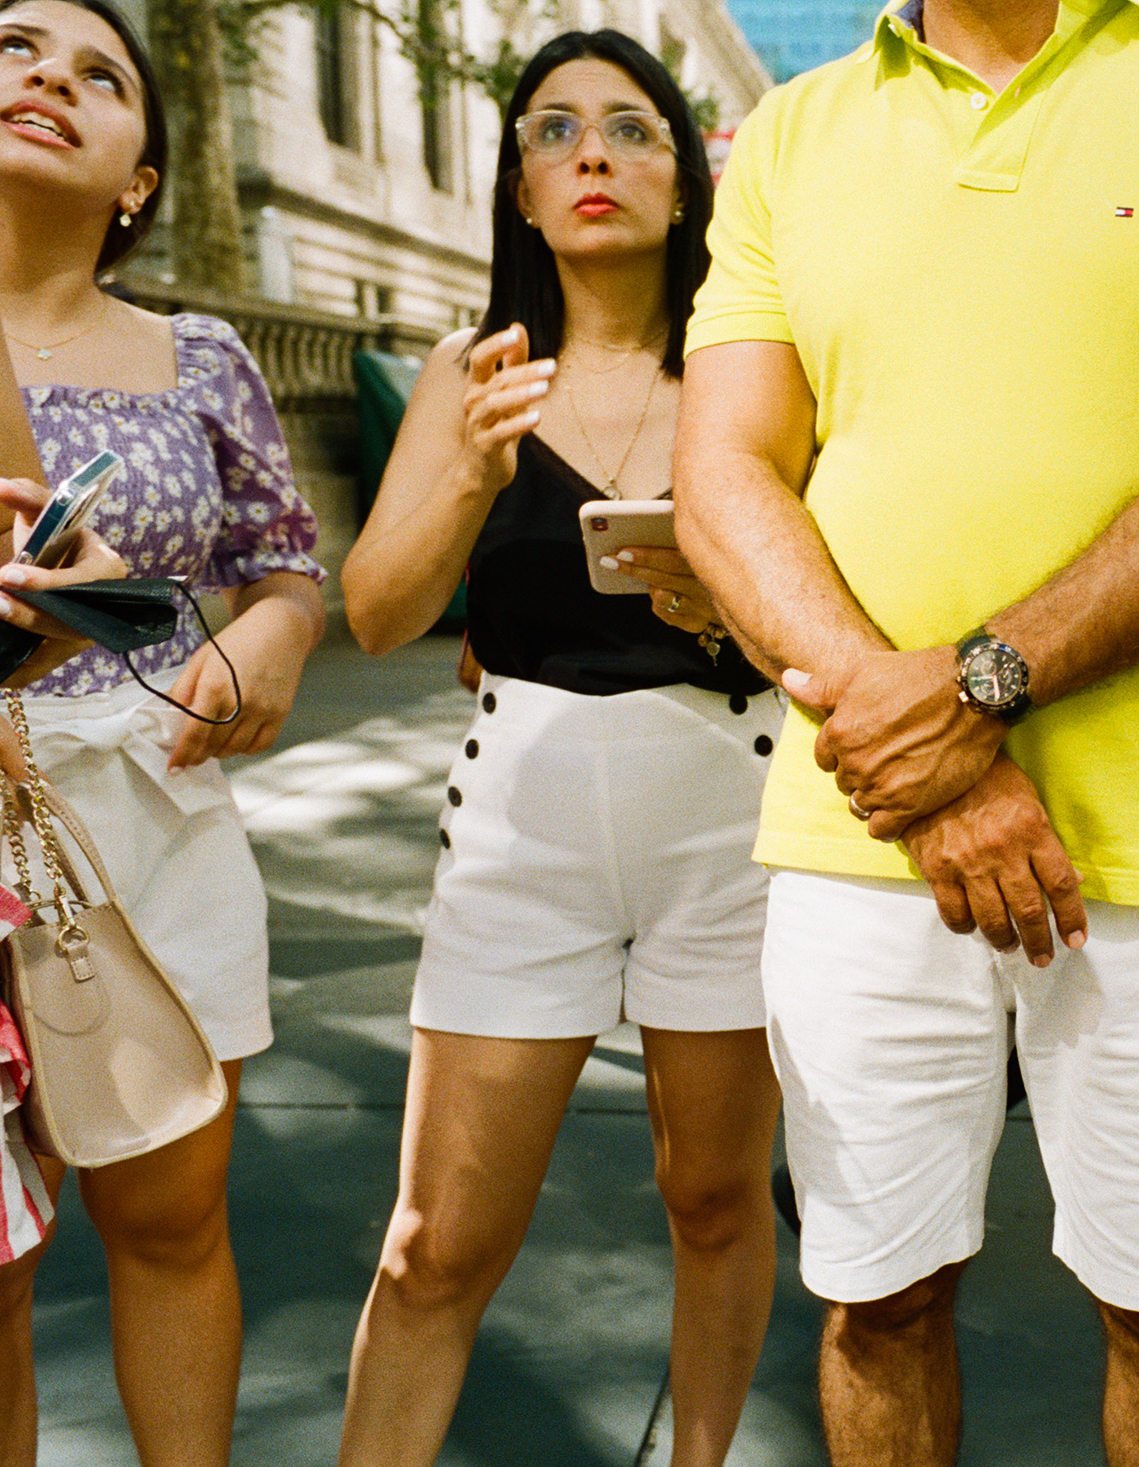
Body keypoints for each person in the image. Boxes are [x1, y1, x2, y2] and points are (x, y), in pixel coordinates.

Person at [674, 0, 1139, 1458]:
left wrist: (979, 685)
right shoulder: (796, 133)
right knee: (877, 1296)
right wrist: (934, 774)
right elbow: (723, 478)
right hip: (862, 833)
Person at [337, 32, 781, 1467]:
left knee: (716, 1200)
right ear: (521, 191)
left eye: (632, 129)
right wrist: (465, 470)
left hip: (735, 821)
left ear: (686, 175)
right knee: (431, 1245)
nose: (593, 153)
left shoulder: (753, 372)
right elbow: (378, 606)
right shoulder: (474, 373)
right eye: (555, 130)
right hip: (518, 840)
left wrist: (732, 603)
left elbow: (832, 628)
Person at [0, 1, 328, 1461]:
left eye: (100, 75)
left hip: (153, 815)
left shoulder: (202, 355)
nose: (50, 79)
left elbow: (287, 560)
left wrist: (262, 642)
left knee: (171, 1219)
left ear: (139, 179)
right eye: (14, 47)